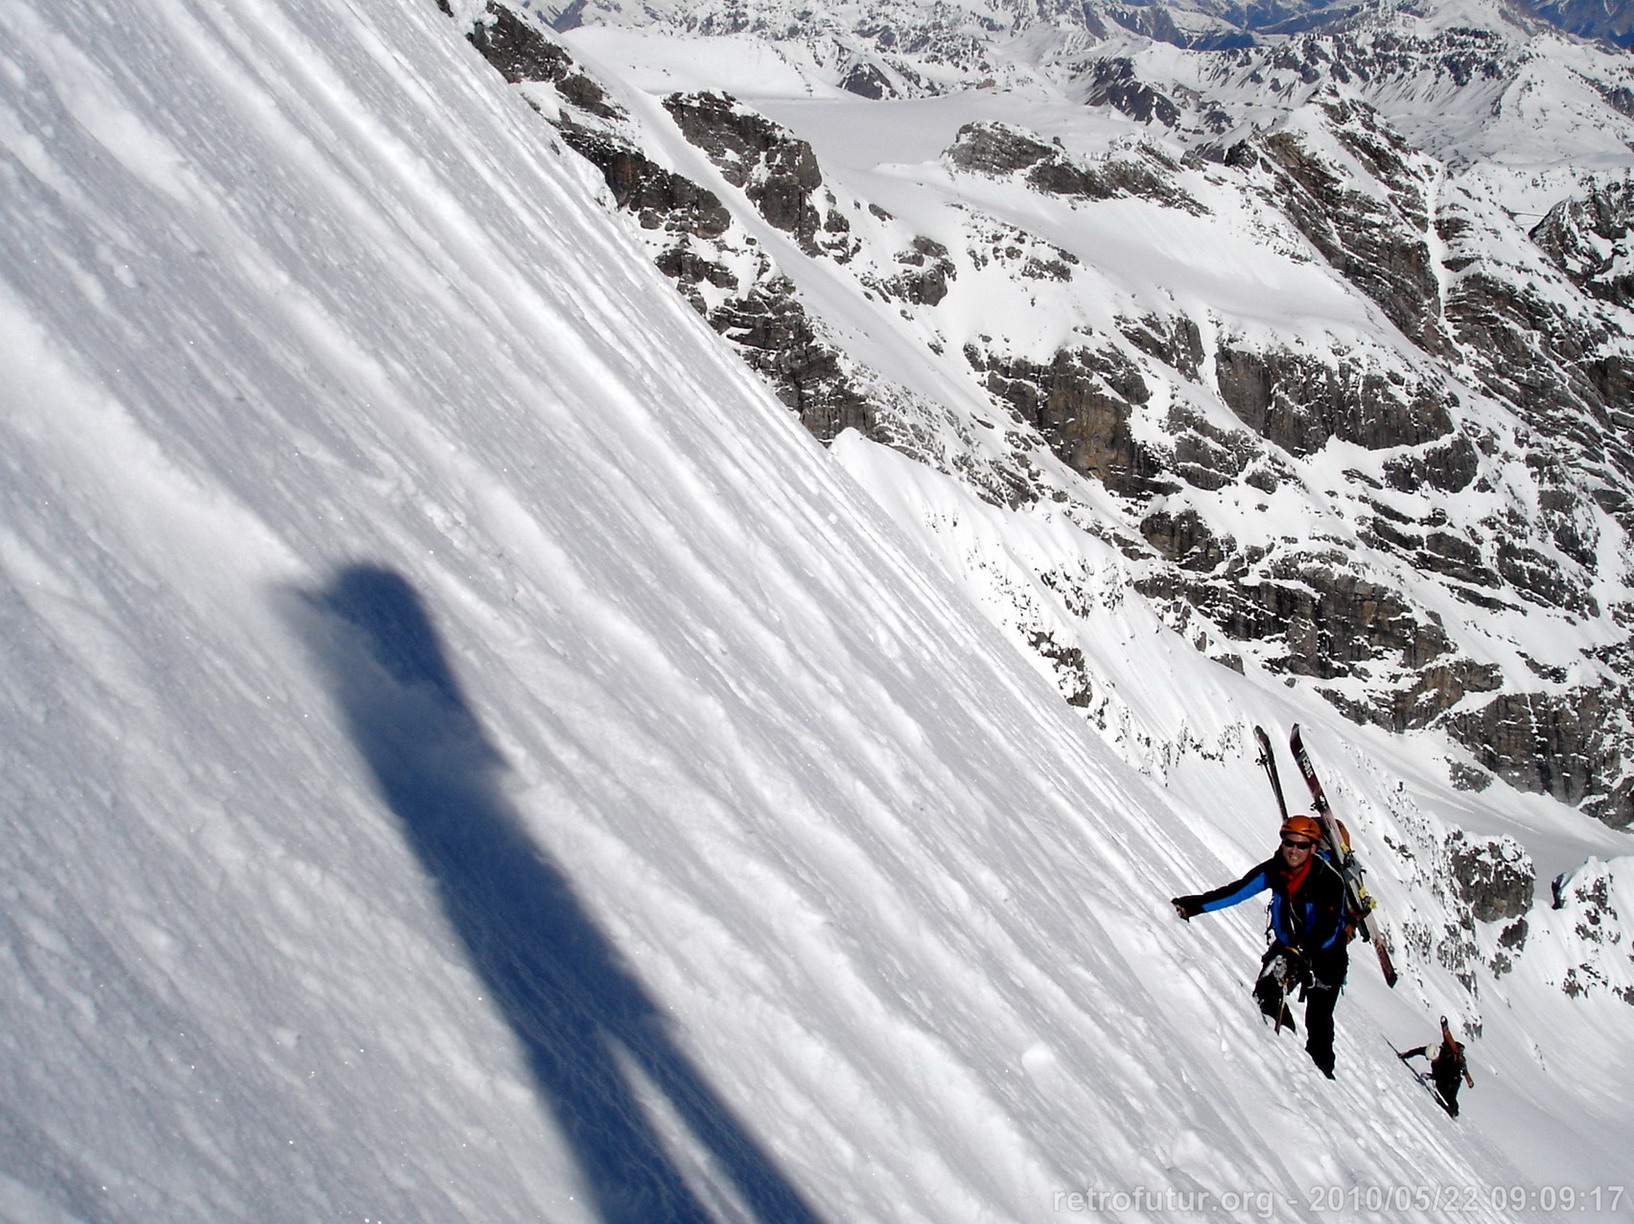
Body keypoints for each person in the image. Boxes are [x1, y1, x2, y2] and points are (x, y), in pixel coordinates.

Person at [1170, 815, 1351, 1078]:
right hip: (1290, 947)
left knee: (1319, 1021)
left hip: (1326, 958)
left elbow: (1330, 928)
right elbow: (1237, 891)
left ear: (1313, 848)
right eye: (1289, 842)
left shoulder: (1328, 880)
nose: (1294, 850)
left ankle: (1323, 1078)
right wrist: (1194, 905)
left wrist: (1301, 953)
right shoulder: (1276, 870)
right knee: (1268, 990)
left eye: (1302, 845)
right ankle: (1279, 1047)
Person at [1401, 1017, 1474, 1117]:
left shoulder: (1446, 1060)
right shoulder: (1431, 1051)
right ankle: (1452, 1108)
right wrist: (1404, 1056)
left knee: (1450, 1097)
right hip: (1443, 1076)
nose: (1430, 1060)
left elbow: (1443, 1076)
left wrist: (1430, 1076)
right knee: (1440, 1087)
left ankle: (1454, 1111)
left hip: (1453, 1078)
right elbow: (1417, 1051)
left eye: (1432, 1059)